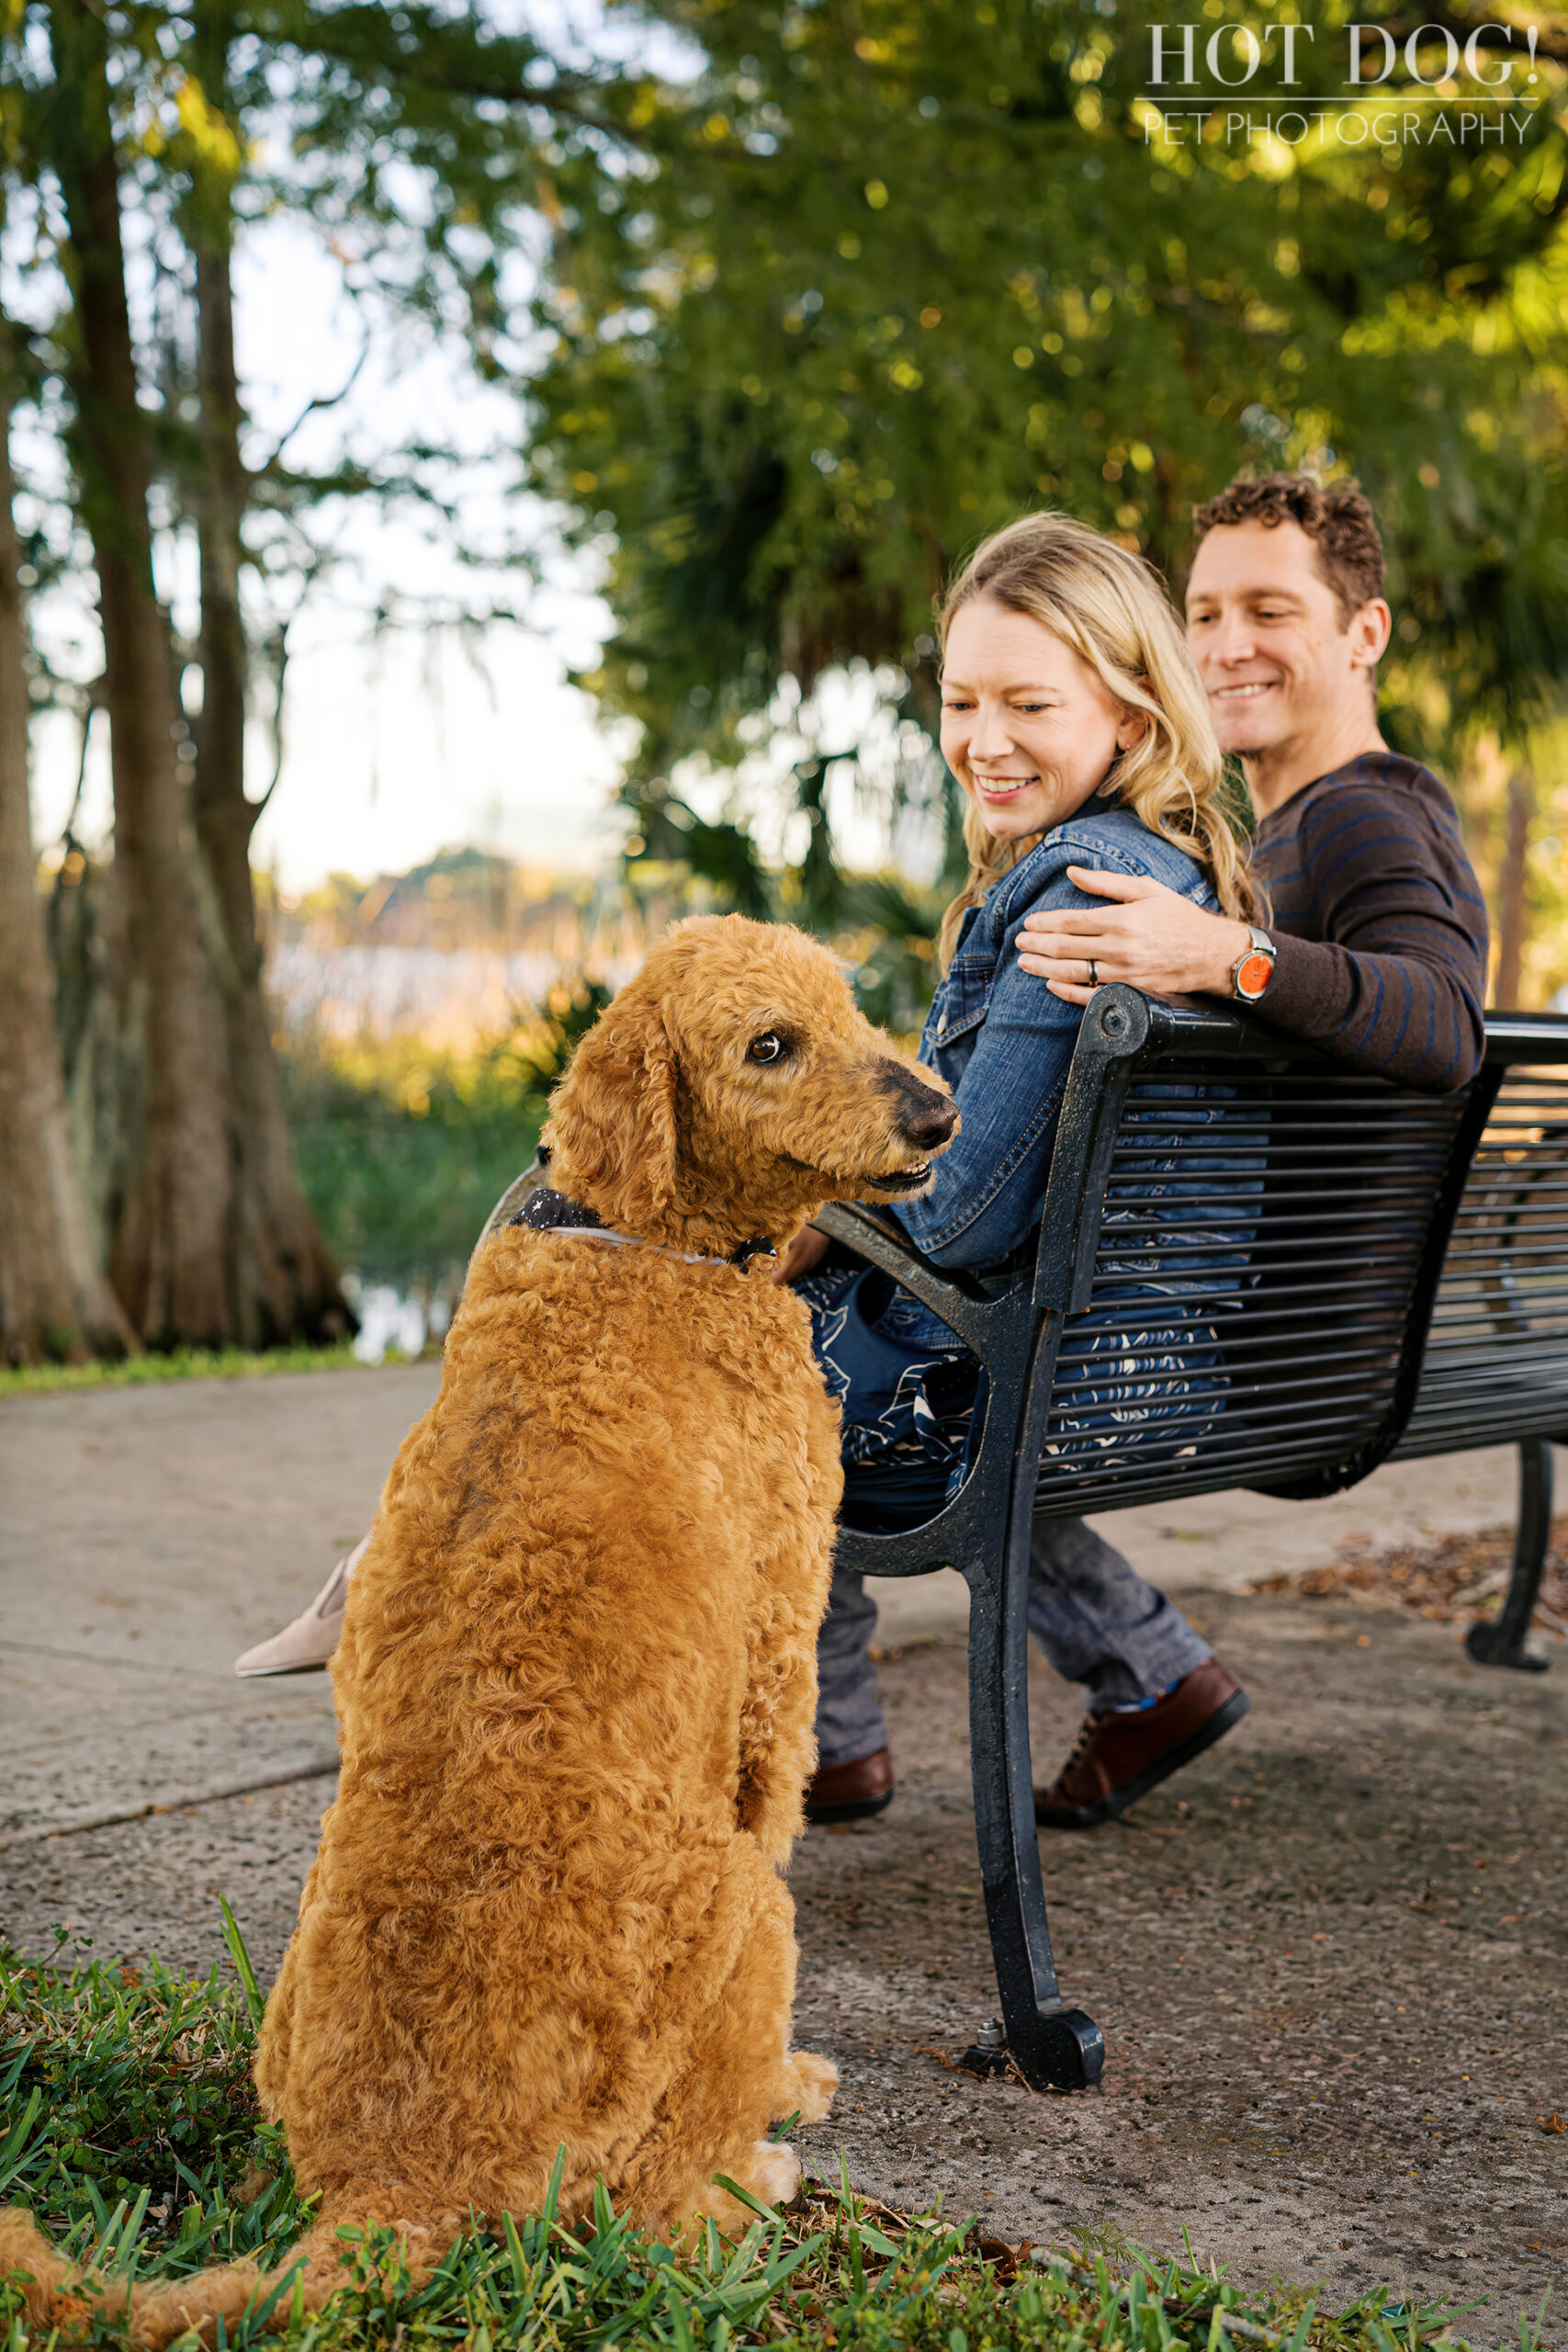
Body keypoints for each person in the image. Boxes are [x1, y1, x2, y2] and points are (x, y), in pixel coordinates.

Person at [239, 514, 1264, 1834]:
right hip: (1151, 1367)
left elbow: (956, 1206)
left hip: (1025, 1375)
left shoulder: (1078, 894)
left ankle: (412, 1588)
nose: (983, 738)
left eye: (1028, 702)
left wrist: (788, 1211)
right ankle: (959, 1713)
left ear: (1128, 716)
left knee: (692, 1358)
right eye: (960, 701)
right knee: (750, 1324)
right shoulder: (1171, 877)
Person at [948, 471, 1487, 1833]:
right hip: (1314, 1357)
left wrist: (1223, 957)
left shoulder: (1360, 816)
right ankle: (1134, 1682)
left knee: (868, 1366)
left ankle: (850, 1733)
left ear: (1363, 635)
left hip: (1273, 1363)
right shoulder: (1271, 838)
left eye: (1270, 609)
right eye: (1202, 611)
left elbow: (1442, 1025)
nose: (1226, 644)